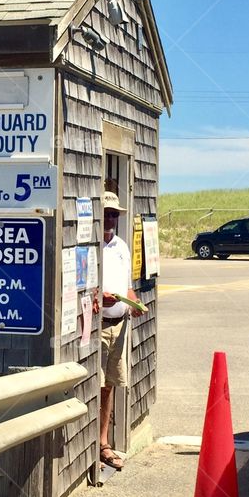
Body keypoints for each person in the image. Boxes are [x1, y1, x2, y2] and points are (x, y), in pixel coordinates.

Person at [98, 190, 142, 470]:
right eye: (106, 213)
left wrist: (134, 302)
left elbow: (127, 287)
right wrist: (99, 299)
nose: (111, 219)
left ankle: (103, 443)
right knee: (96, 385)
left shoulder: (122, 247)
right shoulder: (92, 246)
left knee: (110, 385)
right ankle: (94, 446)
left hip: (120, 325)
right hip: (97, 327)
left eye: (114, 214)